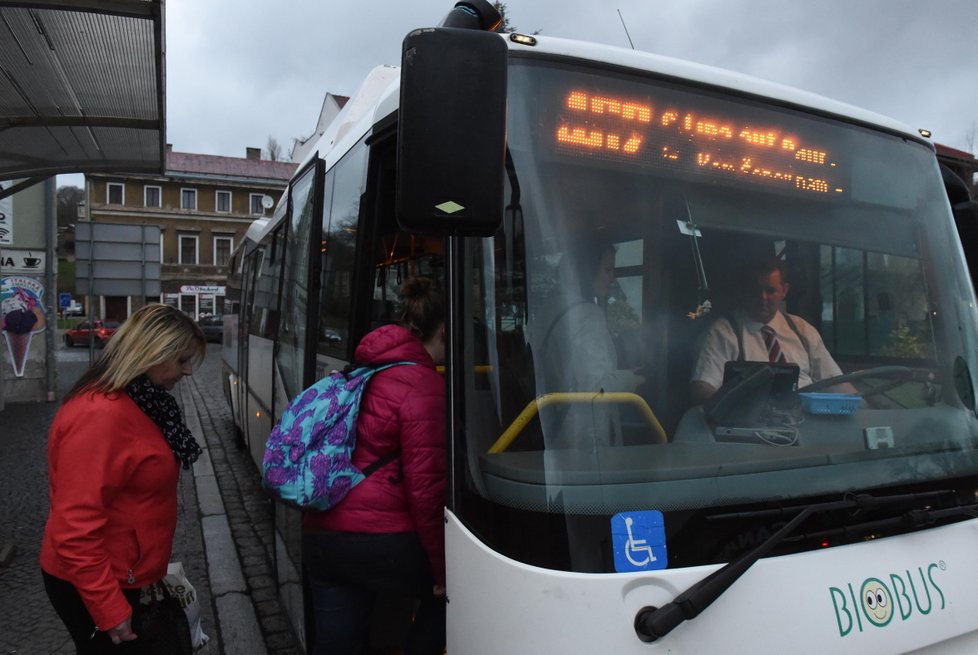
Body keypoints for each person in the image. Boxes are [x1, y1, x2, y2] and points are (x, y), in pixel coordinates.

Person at [40, 303, 205, 653]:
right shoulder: (102, 415)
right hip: (98, 583)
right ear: (150, 354)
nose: (188, 371)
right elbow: (74, 528)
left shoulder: (145, 401)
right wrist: (110, 608)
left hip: (124, 572)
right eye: (181, 360)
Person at [303, 276, 447, 655]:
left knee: (336, 644)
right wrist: (442, 570)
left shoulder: (358, 371)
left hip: (322, 535)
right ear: (445, 331)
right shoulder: (424, 386)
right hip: (382, 542)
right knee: (452, 598)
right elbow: (426, 491)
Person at [689, 256, 851, 405]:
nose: (763, 298)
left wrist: (866, 405)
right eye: (755, 290)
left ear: (784, 290)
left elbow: (835, 383)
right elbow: (702, 387)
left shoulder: (803, 331)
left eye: (770, 290)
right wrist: (731, 407)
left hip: (807, 422)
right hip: (748, 426)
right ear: (744, 291)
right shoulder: (722, 333)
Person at [535, 239, 645, 448]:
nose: (613, 278)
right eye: (607, 269)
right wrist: (631, 379)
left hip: (552, 427)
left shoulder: (545, 311)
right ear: (586, 270)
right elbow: (596, 388)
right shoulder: (588, 315)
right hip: (587, 432)